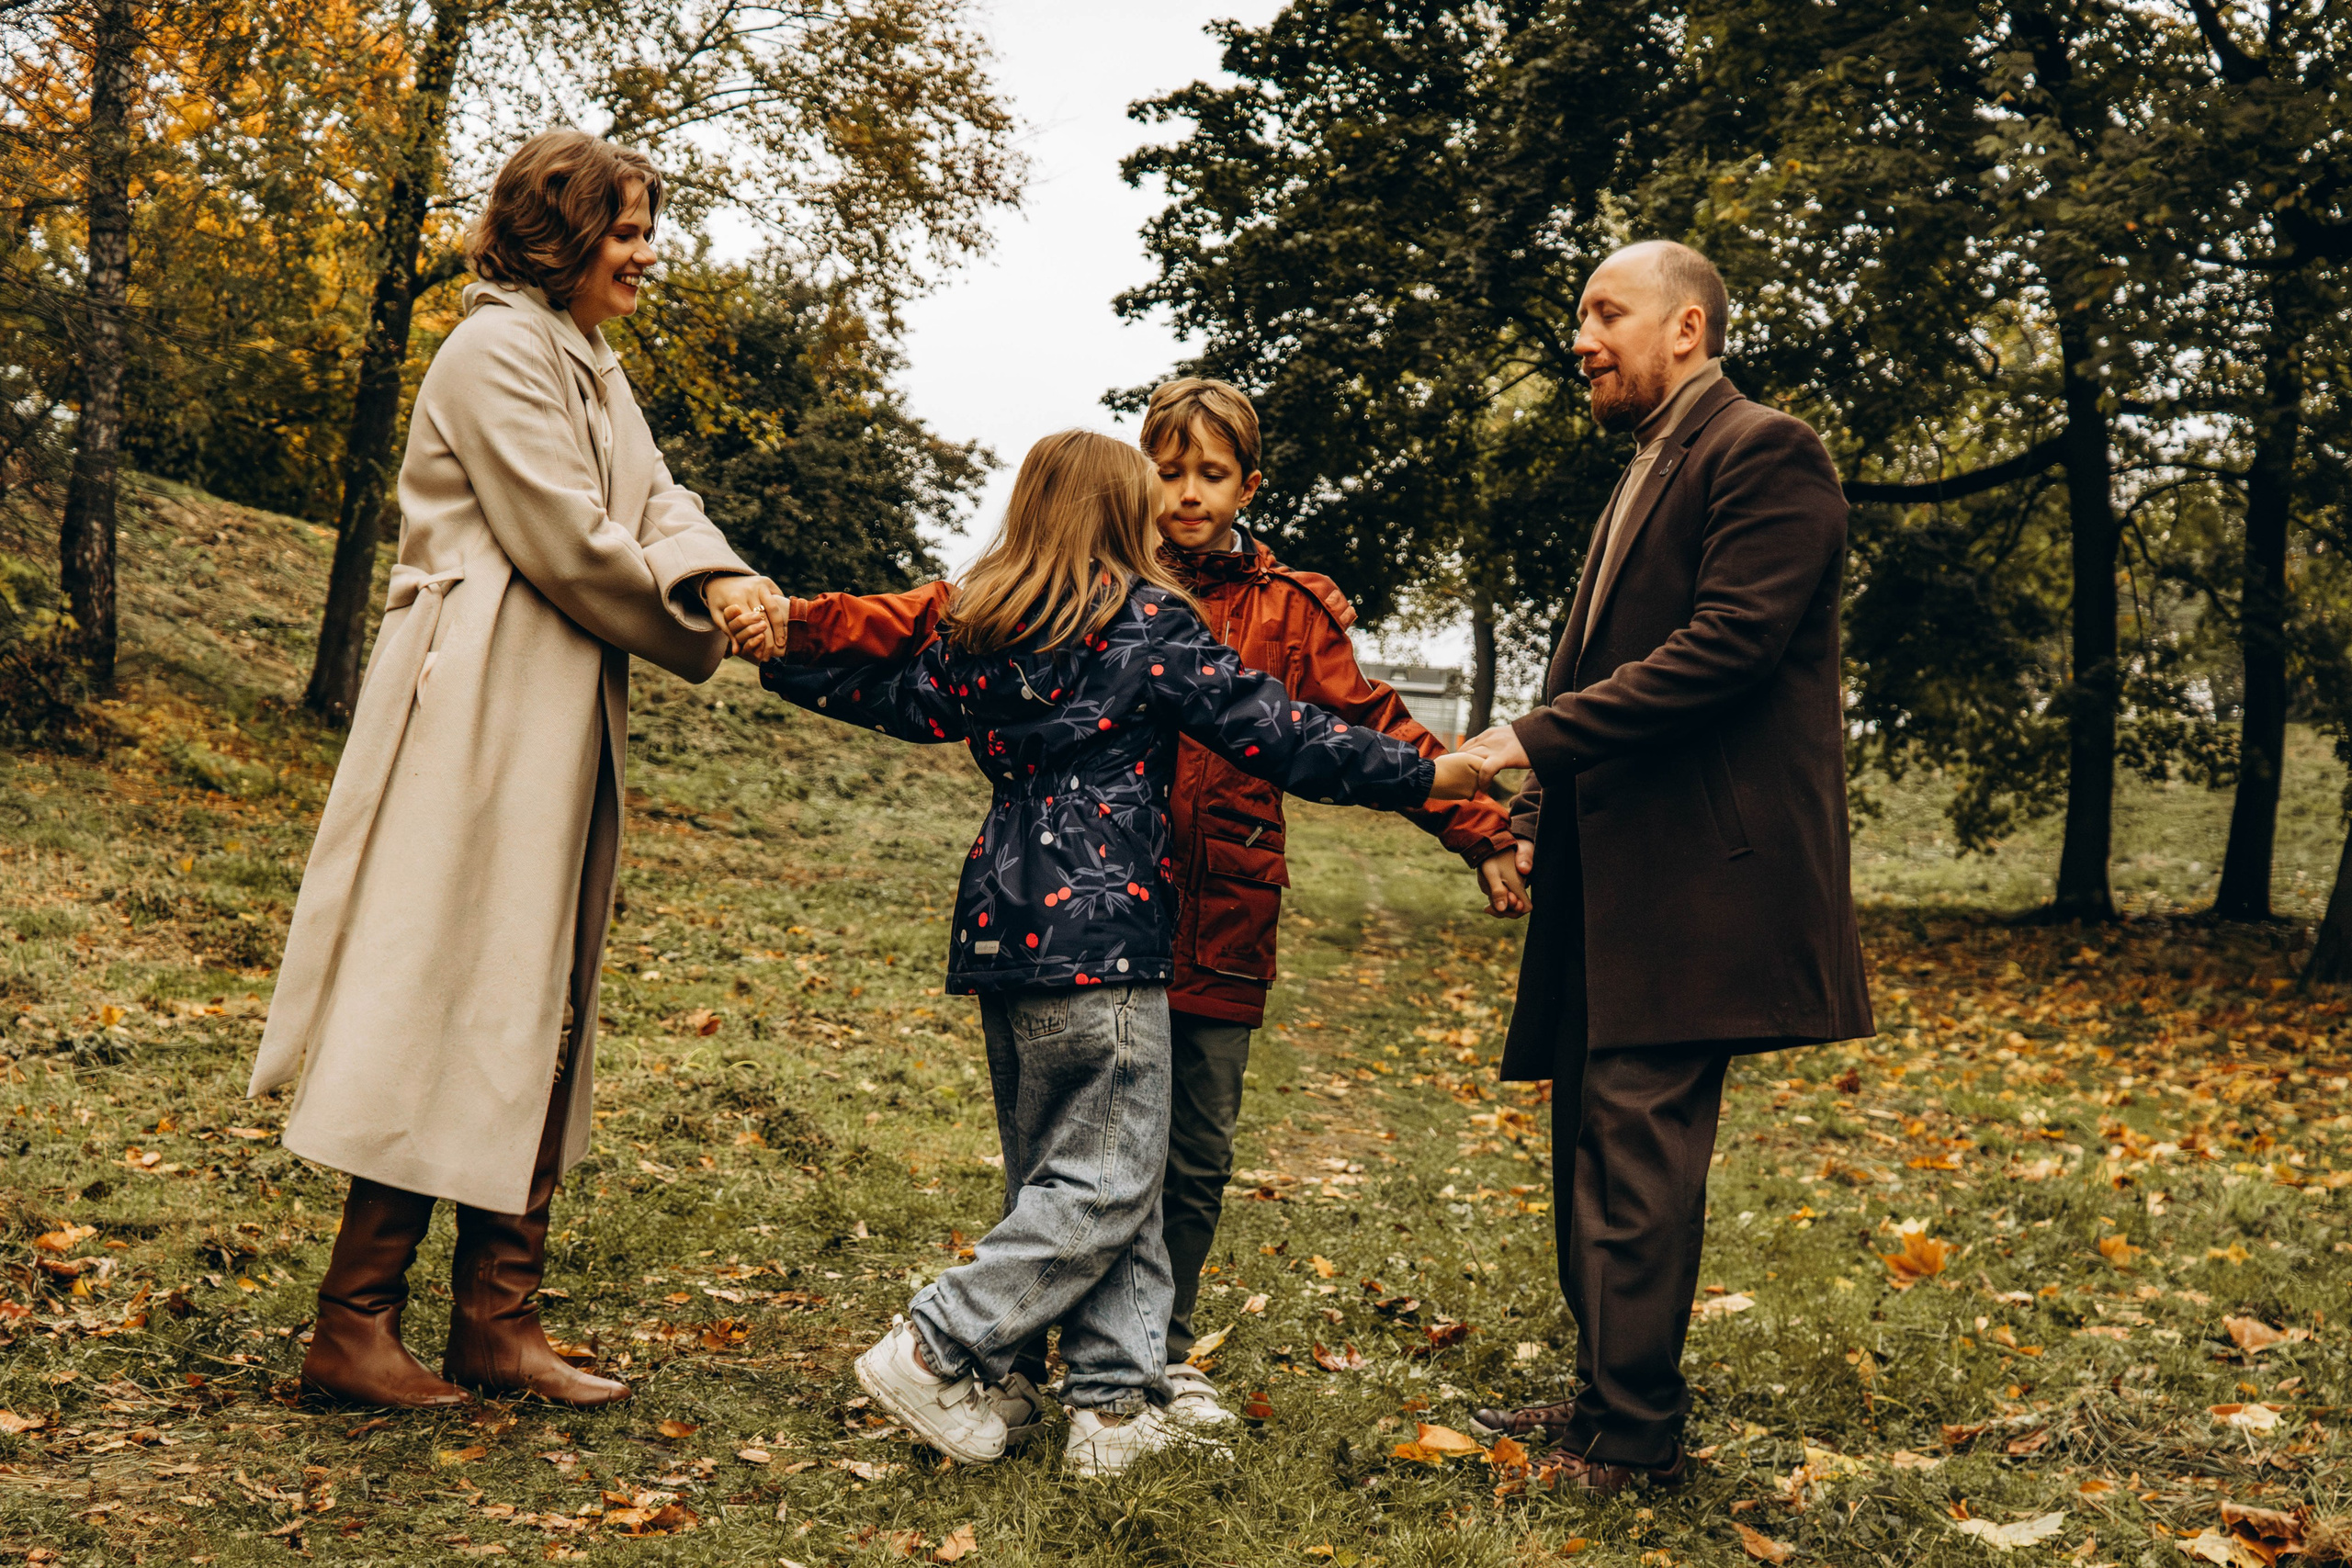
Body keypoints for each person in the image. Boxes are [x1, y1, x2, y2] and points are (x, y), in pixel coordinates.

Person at [734, 381, 1530, 1427]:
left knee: (1110, 1162)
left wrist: (779, 661)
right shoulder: (1146, 619)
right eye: (1164, 473)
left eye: (1209, 475)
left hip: (1028, 927)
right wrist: (1434, 781)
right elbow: (1285, 733)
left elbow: (900, 694)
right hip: (1113, 929)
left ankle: (1114, 1393)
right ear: (1127, 501)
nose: (1184, 496)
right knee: (1106, 1176)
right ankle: (946, 1346)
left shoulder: (1023, 631)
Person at [248, 129, 778, 1410]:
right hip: (479, 705)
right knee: (447, 978)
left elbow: (651, 501)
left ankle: (499, 1319)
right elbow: (568, 535)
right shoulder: (491, 349)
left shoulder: (588, 359)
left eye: (651, 229)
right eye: (629, 230)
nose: (650, 255)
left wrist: (725, 572)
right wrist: (706, 619)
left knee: (535, 994)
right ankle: (352, 1321)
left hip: (558, 702)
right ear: (562, 232)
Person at [1457, 241, 1874, 1493]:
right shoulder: (1650, 462)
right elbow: (1590, 656)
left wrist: (1520, 740)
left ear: (1687, 326)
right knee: (1591, 1127)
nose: (1579, 339)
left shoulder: (1766, 450)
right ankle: (1603, 1399)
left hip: (1702, 872)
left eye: (1604, 314)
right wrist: (1535, 809)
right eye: (1578, 315)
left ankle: (1634, 1439)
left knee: (1636, 1139)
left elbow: (1726, 649)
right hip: (1607, 861)